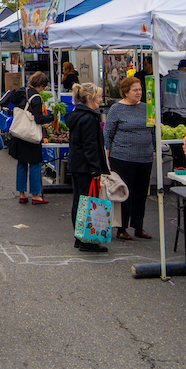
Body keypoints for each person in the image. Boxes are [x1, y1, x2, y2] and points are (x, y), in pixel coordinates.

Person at [106, 76, 155, 241]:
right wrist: (107, 152)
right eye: (135, 90)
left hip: (145, 157)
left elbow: (153, 131)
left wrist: (155, 150)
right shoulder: (116, 109)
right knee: (125, 192)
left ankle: (138, 226)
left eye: (140, 89)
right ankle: (122, 227)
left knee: (141, 193)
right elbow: (108, 133)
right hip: (123, 157)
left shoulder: (148, 108)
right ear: (125, 92)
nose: (139, 93)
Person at [65, 82, 108, 253]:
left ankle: (80, 237)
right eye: (98, 96)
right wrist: (95, 169)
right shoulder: (89, 118)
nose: (101, 100)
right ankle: (86, 240)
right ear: (89, 98)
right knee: (87, 202)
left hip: (77, 164)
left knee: (79, 201)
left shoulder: (77, 114)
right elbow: (90, 146)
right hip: (85, 167)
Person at [7, 71, 54, 205]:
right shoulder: (36, 98)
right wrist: (51, 117)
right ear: (42, 85)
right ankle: (35, 195)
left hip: (19, 133)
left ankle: (21, 194)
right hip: (30, 136)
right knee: (35, 165)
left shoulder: (22, 92)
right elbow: (38, 119)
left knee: (21, 164)